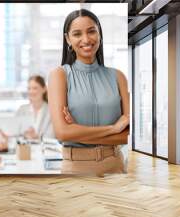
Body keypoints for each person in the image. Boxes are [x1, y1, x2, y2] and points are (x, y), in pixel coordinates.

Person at [48, 9, 130, 175]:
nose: (86, 39)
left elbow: (128, 135)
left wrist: (77, 131)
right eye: (77, 34)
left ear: (99, 33)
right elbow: (62, 133)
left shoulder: (118, 77)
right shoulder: (59, 75)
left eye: (91, 31)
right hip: (76, 168)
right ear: (68, 39)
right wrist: (114, 128)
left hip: (116, 166)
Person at [14, 75, 55, 139]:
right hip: (24, 148)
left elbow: (51, 137)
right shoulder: (21, 109)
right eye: (29, 88)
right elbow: (15, 133)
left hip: (44, 148)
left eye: (35, 88)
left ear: (44, 89)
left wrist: (36, 137)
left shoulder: (51, 111)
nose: (31, 92)